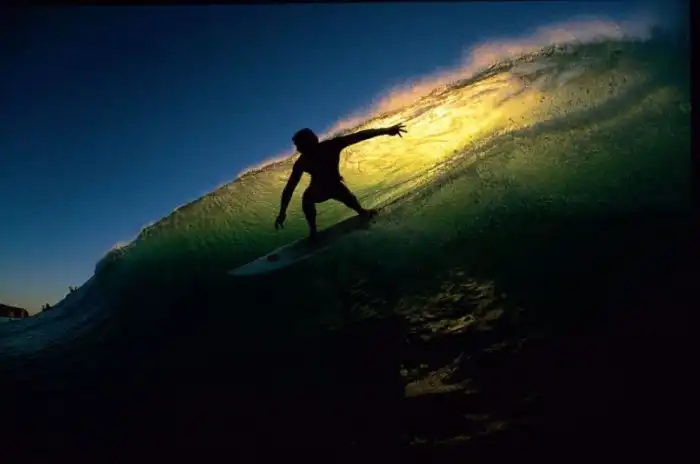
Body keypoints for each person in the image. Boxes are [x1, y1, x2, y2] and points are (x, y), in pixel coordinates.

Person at [274, 123, 407, 241]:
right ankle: (313, 232)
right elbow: (289, 188)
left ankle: (362, 212)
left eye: (300, 145)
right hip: (319, 190)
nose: (298, 149)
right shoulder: (302, 162)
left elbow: (360, 135)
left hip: (336, 186)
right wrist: (282, 212)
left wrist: (386, 130)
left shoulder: (332, 145)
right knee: (307, 197)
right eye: (297, 146)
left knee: (356, 206)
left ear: (311, 141)